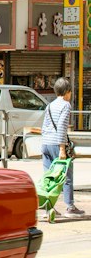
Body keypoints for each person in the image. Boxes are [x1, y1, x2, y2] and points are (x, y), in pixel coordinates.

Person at [41, 76, 79, 218]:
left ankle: (48, 208)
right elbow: (62, 128)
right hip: (57, 144)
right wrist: (62, 149)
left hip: (46, 143)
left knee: (49, 177)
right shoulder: (65, 105)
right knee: (66, 176)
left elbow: (44, 127)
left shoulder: (50, 105)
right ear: (67, 91)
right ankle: (70, 207)